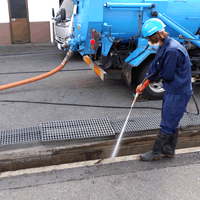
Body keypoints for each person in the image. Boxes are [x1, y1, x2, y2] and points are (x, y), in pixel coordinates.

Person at [136, 18, 193, 161]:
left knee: (168, 122)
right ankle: (169, 150)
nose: (148, 40)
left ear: (155, 35)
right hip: (172, 89)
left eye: (149, 38)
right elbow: (156, 66)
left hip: (179, 92)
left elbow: (166, 74)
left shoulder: (173, 50)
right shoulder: (163, 46)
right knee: (170, 119)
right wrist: (145, 82)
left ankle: (156, 152)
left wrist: (151, 80)